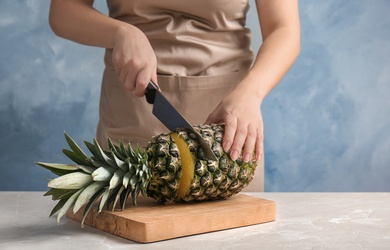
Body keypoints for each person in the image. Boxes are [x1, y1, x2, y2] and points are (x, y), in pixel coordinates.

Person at [48, 0, 300, 192]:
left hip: (228, 127)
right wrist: (122, 33)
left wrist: (251, 93)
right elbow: (63, 12)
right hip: (132, 116)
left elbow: (284, 29)